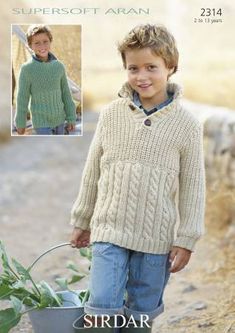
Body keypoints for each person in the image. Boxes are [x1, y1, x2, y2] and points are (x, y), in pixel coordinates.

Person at [70, 24, 206, 332]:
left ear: (170, 67)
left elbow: (193, 187)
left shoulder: (187, 125)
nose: (141, 76)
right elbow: (93, 170)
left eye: (151, 67)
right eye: (133, 68)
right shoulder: (110, 115)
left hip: (155, 237)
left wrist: (186, 238)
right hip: (109, 229)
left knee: (141, 313)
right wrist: (83, 218)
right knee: (102, 306)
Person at [14, 24, 76, 135]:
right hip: (41, 122)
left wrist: (71, 117)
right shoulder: (27, 69)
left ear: (50, 41)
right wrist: (20, 123)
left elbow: (66, 94)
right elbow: (22, 98)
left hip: (60, 120)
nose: (42, 46)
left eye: (45, 41)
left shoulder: (59, 66)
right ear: (30, 45)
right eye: (36, 43)